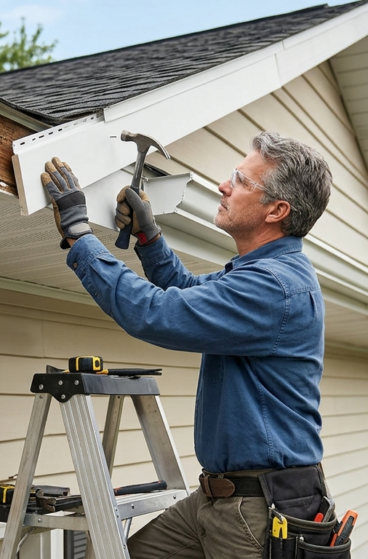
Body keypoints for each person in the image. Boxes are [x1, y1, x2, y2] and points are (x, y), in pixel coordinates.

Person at [41, 130, 333, 558]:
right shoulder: (261, 274)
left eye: (240, 179)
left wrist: (79, 235)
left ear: (277, 210)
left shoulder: (275, 286)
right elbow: (187, 291)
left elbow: (157, 314)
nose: (223, 185)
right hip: (217, 497)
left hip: (258, 507)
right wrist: (149, 239)